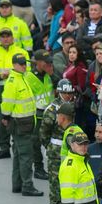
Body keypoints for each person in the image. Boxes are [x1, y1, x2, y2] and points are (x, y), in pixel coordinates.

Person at [0, 53, 45, 196]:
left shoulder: (23, 77)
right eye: (21, 64)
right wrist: (6, 116)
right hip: (20, 123)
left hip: (24, 122)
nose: (24, 66)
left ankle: (17, 184)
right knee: (26, 155)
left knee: (19, 154)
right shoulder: (13, 81)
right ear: (14, 65)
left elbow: (38, 89)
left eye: (25, 63)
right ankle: (27, 185)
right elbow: (6, 103)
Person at [0, 28, 29, 160]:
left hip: (18, 89)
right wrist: (0, 75)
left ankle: (16, 145)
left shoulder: (21, 52)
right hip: (0, 90)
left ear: (12, 37)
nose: (5, 38)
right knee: (2, 121)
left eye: (8, 36)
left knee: (17, 119)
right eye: (3, 36)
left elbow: (28, 71)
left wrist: (12, 74)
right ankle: (4, 148)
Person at [29, 49, 59, 180]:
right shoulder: (29, 77)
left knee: (51, 142)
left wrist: (52, 74)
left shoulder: (50, 74)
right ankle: (39, 169)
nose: (49, 65)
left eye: (49, 62)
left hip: (50, 114)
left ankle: (53, 168)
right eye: (46, 62)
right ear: (38, 62)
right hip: (36, 115)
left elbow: (60, 85)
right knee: (36, 142)